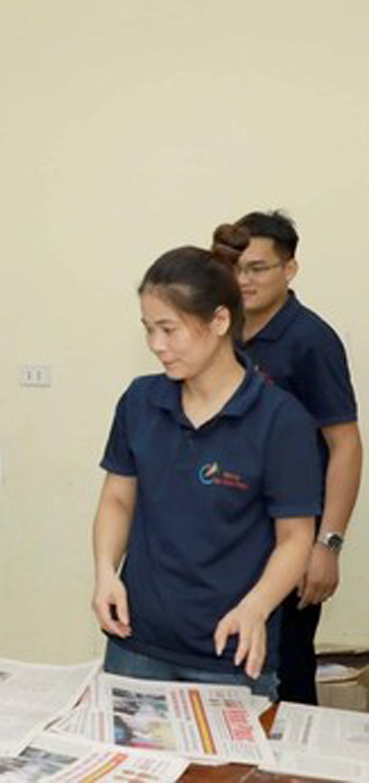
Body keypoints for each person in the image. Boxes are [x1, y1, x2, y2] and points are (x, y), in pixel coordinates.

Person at [91, 240, 321, 698]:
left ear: (219, 321)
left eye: (169, 329)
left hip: (230, 653)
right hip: (137, 644)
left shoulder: (280, 420)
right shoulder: (140, 401)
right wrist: (104, 572)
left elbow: (295, 538)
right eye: (148, 329)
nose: (157, 345)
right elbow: (118, 498)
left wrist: (256, 608)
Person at [220, 211, 361, 705]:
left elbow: (345, 445)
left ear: (290, 269)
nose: (243, 279)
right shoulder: (221, 330)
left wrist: (329, 545)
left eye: (258, 268)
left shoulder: (310, 341)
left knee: (286, 672)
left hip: (294, 535)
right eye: (236, 266)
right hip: (234, 532)